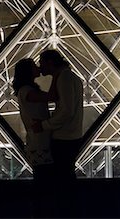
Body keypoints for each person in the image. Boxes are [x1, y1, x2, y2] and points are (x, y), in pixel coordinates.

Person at [32, 50, 83, 181]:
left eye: (41, 63)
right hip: (72, 136)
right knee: (66, 174)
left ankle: (65, 200)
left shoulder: (64, 78)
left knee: (62, 176)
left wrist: (44, 125)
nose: (39, 67)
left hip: (64, 138)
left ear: (50, 63)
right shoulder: (70, 77)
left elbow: (66, 111)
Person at [13, 58, 54, 180]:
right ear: (28, 71)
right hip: (39, 141)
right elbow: (51, 97)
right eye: (34, 66)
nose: (38, 68)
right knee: (45, 177)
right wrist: (55, 75)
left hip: (36, 140)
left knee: (42, 177)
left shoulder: (24, 90)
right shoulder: (27, 91)